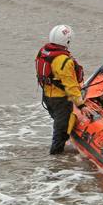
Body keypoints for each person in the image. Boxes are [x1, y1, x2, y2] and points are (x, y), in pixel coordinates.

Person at [35, 25, 85, 154]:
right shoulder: (63, 60)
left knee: (59, 124)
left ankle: (63, 149)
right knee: (60, 131)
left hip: (47, 96)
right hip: (60, 100)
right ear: (67, 41)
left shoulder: (43, 52)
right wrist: (81, 105)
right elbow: (71, 86)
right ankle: (56, 160)